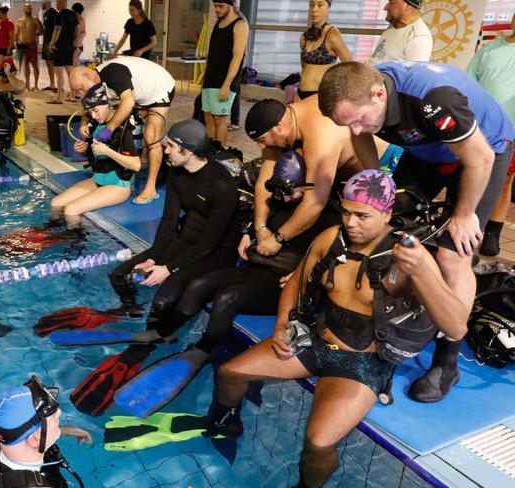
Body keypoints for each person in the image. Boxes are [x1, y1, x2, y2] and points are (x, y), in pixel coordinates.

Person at [209, 170, 468, 488]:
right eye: (346, 212)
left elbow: (457, 325)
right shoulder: (332, 237)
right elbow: (297, 282)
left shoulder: (409, 256)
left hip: (363, 361)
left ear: (387, 214)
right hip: (315, 341)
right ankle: (225, 423)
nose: (351, 222)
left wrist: (422, 273)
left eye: (362, 215)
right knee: (230, 373)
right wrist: (280, 326)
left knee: (318, 442)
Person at [318, 61, 515, 402]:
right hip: (428, 148)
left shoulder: (433, 100)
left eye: (360, 119)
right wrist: (377, 184)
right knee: (389, 223)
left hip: (483, 151)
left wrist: (464, 214)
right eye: (346, 123)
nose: (357, 128)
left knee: (453, 254)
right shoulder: (361, 98)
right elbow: (359, 134)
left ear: (379, 94)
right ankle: (384, 316)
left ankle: (447, 362)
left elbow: (479, 158)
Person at [109, 150, 342, 418]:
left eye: (289, 193)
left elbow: (334, 256)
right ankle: (163, 331)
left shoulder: (326, 216)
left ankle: (203, 350)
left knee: (227, 298)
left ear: (307, 187)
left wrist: (305, 272)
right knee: (200, 284)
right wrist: (247, 233)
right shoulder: (279, 198)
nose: (283, 199)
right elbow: (251, 215)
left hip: (281, 282)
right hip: (259, 266)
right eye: (278, 192)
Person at [56, 121, 242, 418]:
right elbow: (169, 223)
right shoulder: (178, 172)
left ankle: (155, 341)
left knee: (164, 300)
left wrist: (169, 267)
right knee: (118, 274)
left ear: (188, 150)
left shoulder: (222, 184)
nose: (163, 150)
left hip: (214, 253)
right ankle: (129, 313)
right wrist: (155, 257)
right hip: (185, 243)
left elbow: (210, 242)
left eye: (169, 146)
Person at [243, 98, 364, 260]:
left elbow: (314, 203)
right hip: (327, 169)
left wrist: (278, 239)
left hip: (368, 171)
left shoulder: (320, 137)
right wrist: (260, 228)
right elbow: (264, 183)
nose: (261, 147)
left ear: (279, 127)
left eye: (261, 141)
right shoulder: (280, 122)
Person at [69, 57, 176, 205]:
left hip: (159, 88)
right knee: (128, 123)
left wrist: (109, 128)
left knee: (150, 135)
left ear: (88, 75)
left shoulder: (113, 73)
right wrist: (83, 124)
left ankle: (150, 187)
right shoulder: (96, 84)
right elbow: (90, 107)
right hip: (138, 94)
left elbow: (128, 102)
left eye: (81, 88)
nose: (82, 93)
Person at [50, 84, 140, 228]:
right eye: (90, 112)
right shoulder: (94, 124)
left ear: (108, 105)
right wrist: (81, 149)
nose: (93, 115)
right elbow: (93, 156)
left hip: (118, 185)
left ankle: (75, 244)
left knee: (71, 210)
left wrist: (108, 151)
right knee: (56, 203)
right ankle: (50, 233)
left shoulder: (122, 129)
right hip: (97, 179)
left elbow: (136, 165)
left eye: (96, 110)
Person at [467, 13, 515, 256]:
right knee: (467, 173)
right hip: (478, 126)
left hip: (511, 132)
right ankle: (462, 220)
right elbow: (469, 80)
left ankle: (492, 232)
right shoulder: (490, 48)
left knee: (503, 182)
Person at [201, 0, 248, 148]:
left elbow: (237, 57)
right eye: (215, 6)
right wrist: (205, 75)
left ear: (231, 5)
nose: (217, 9)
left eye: (220, 6)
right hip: (211, 78)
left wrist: (226, 84)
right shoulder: (218, 23)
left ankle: (219, 154)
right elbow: (212, 52)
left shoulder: (240, 25)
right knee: (208, 117)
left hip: (225, 81)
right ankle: (210, 151)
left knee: (219, 119)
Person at [297, 0, 351, 99]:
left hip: (318, 95)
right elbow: (304, 68)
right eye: (311, 5)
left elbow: (349, 66)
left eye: (320, 5)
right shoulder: (305, 36)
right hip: (299, 93)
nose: (314, 9)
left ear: (328, 7)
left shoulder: (332, 34)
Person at [368, 0, 432, 64]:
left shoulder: (419, 37)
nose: (385, 7)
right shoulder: (392, 27)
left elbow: (414, 73)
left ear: (407, 6)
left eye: (391, 3)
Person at [47, 0, 78, 104]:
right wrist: (73, 40)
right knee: (70, 72)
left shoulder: (59, 15)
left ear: (59, 3)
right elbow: (77, 29)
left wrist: (52, 43)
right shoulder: (73, 14)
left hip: (59, 47)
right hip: (69, 46)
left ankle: (59, 97)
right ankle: (73, 95)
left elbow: (57, 29)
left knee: (59, 73)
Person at [14, 4, 42, 90]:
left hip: (32, 45)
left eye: (30, 8)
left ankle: (36, 85)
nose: (28, 9)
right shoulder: (19, 21)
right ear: (24, 9)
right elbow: (16, 33)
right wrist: (14, 43)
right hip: (21, 45)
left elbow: (41, 31)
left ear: (31, 9)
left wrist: (34, 34)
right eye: (27, 8)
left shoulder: (35, 20)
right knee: (25, 65)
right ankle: (27, 84)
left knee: (34, 65)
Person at [40, 0, 58, 92]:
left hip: (51, 42)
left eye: (41, 2)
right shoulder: (46, 13)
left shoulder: (53, 13)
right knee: (48, 63)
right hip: (46, 41)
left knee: (53, 64)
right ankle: (52, 84)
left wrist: (53, 42)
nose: (40, 4)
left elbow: (57, 28)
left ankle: (57, 85)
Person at [71, 3, 86, 69]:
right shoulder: (82, 19)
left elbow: (77, 34)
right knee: (75, 65)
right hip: (79, 46)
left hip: (77, 47)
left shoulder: (78, 21)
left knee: (73, 66)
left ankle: (74, 79)